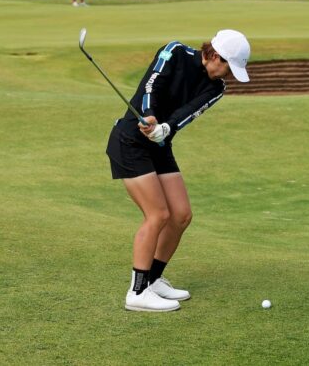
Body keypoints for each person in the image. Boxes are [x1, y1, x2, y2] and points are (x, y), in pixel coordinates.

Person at [106, 30, 251, 312]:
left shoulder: (217, 87)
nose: (229, 74)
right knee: (158, 214)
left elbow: (189, 111)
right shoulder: (174, 52)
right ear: (214, 55)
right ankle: (136, 293)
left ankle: (152, 280)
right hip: (130, 142)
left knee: (181, 215)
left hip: (160, 143)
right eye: (228, 66)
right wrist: (149, 116)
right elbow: (151, 86)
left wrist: (166, 128)